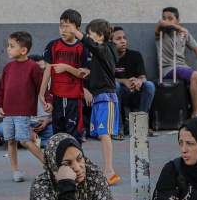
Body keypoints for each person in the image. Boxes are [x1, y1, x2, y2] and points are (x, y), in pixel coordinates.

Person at [68, 19, 121, 185]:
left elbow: (92, 46)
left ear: (99, 35)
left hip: (106, 97)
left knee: (105, 134)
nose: (88, 37)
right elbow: (102, 69)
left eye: (90, 34)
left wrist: (76, 32)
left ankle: (109, 170)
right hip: (100, 97)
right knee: (100, 134)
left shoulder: (106, 48)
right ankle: (107, 169)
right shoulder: (102, 52)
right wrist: (89, 72)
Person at [0, 31, 44, 183]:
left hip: (23, 111)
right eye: (8, 46)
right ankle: (15, 170)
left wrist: (46, 101)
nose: (8, 49)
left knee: (24, 141)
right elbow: (1, 88)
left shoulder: (33, 67)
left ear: (23, 50)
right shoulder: (8, 67)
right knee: (10, 140)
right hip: (8, 112)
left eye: (11, 46)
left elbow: (41, 88)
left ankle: (49, 165)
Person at [38, 9, 91, 145]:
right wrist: (42, 94)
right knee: (58, 133)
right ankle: (61, 162)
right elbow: (48, 71)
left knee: (74, 133)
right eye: (61, 25)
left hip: (74, 97)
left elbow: (84, 73)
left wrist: (66, 68)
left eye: (68, 27)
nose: (63, 30)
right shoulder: (52, 45)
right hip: (57, 96)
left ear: (78, 29)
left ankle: (77, 162)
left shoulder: (82, 47)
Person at [112, 26, 157, 138]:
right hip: (119, 93)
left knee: (149, 85)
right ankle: (118, 129)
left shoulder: (135, 55)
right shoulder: (109, 58)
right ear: (111, 42)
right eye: (118, 39)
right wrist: (124, 81)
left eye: (124, 38)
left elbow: (143, 77)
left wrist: (138, 82)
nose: (123, 41)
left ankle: (140, 128)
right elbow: (106, 78)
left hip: (136, 91)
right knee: (115, 85)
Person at [27, 54, 54, 148]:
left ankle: (26, 142)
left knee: (59, 130)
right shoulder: (21, 83)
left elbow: (62, 112)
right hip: (24, 123)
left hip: (46, 124)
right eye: (37, 70)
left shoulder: (53, 83)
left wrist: (47, 121)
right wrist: (28, 129)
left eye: (43, 69)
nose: (41, 73)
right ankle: (36, 141)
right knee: (2, 129)